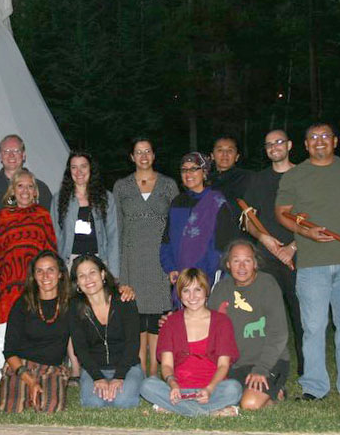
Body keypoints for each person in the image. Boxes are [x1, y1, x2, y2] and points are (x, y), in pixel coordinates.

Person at [275, 122, 340, 401]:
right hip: (312, 264)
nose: (319, 141)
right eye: (313, 137)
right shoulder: (296, 176)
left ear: (335, 141)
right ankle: (314, 387)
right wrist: (305, 232)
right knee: (313, 327)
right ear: (305, 144)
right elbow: (282, 213)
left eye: (325, 136)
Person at [0, 134, 53, 360]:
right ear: (0, 156)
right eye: (6, 151)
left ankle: (35, 363)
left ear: (23, 155)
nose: (11, 156)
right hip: (0, 266)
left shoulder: (41, 188)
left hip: (34, 270)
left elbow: (48, 235)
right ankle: (0, 366)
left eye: (16, 151)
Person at [112, 137, 179, 376]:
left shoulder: (169, 185)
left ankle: (155, 372)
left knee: (158, 317)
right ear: (131, 157)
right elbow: (117, 228)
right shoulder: (121, 187)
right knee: (136, 318)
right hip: (132, 258)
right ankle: (139, 372)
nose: (143, 156)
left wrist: (175, 262)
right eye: (138, 152)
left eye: (148, 151)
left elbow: (176, 225)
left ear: (154, 155)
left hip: (160, 260)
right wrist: (118, 270)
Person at [242, 129, 304, 375]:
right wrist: (263, 238)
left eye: (279, 142)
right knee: (264, 318)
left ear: (289, 145)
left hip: (300, 256)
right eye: (268, 144)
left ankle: (307, 372)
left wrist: (292, 247)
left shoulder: (304, 175)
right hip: (266, 258)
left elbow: (318, 215)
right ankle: (266, 369)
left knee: (302, 316)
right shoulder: (258, 180)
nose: (274, 147)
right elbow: (247, 219)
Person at [140, 268, 242, 417]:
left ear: (206, 291)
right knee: (147, 385)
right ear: (180, 295)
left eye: (197, 290)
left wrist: (209, 389)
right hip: (179, 390)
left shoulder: (222, 322)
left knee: (234, 388)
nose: (192, 296)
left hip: (212, 390)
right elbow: (167, 365)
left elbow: (223, 365)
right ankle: (211, 412)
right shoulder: (171, 323)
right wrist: (173, 384)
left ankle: (175, 410)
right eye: (186, 291)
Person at [208, 240, 289, 410]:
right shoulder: (221, 289)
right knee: (218, 397)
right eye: (236, 260)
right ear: (228, 264)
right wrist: (174, 321)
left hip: (269, 361)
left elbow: (279, 333)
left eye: (248, 260)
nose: (242, 266)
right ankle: (268, 391)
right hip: (235, 365)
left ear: (255, 263)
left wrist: (262, 368)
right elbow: (205, 323)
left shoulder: (267, 284)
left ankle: (276, 389)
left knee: (249, 404)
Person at [0, 169, 58, 379]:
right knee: (5, 330)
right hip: (10, 283)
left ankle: (34, 376)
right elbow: (1, 253)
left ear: (35, 191)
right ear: (12, 190)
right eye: (20, 185)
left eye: (30, 186)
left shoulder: (43, 215)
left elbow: (51, 250)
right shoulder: (3, 216)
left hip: (37, 283)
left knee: (34, 330)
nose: (25, 190)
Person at [160, 152, 240, 305]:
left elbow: (223, 247)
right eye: (184, 169)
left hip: (207, 277)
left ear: (204, 172)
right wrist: (170, 268)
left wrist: (205, 278)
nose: (188, 173)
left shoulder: (217, 202)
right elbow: (166, 240)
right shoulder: (177, 202)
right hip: (182, 277)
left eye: (194, 168)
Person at [0, 250, 72, 413]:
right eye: (39, 271)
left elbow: (99, 296)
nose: (45, 276)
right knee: (12, 409)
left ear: (60, 274)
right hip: (21, 367)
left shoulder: (70, 303)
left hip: (52, 368)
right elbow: (9, 351)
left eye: (50, 270)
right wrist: (30, 381)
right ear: (34, 276)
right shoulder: (22, 304)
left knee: (50, 408)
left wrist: (122, 290)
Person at [70, 254, 143, 408]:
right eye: (81, 276)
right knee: (94, 403)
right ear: (77, 283)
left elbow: (133, 343)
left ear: (102, 274)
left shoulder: (124, 300)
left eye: (92, 273)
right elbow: (80, 349)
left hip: (127, 366)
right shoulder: (74, 308)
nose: (88, 279)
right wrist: (97, 377)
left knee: (122, 401)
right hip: (94, 369)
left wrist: (119, 376)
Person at [51, 151, 119, 277]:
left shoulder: (106, 198)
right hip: (70, 264)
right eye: (74, 167)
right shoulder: (58, 199)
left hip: (99, 262)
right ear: (69, 171)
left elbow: (113, 235)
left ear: (90, 169)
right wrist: (58, 268)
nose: (79, 172)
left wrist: (114, 273)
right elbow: (55, 236)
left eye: (83, 166)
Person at [209, 134, 250, 203]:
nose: (225, 154)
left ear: (237, 157)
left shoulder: (249, 178)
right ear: (212, 156)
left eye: (230, 150)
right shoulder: (204, 181)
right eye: (220, 150)